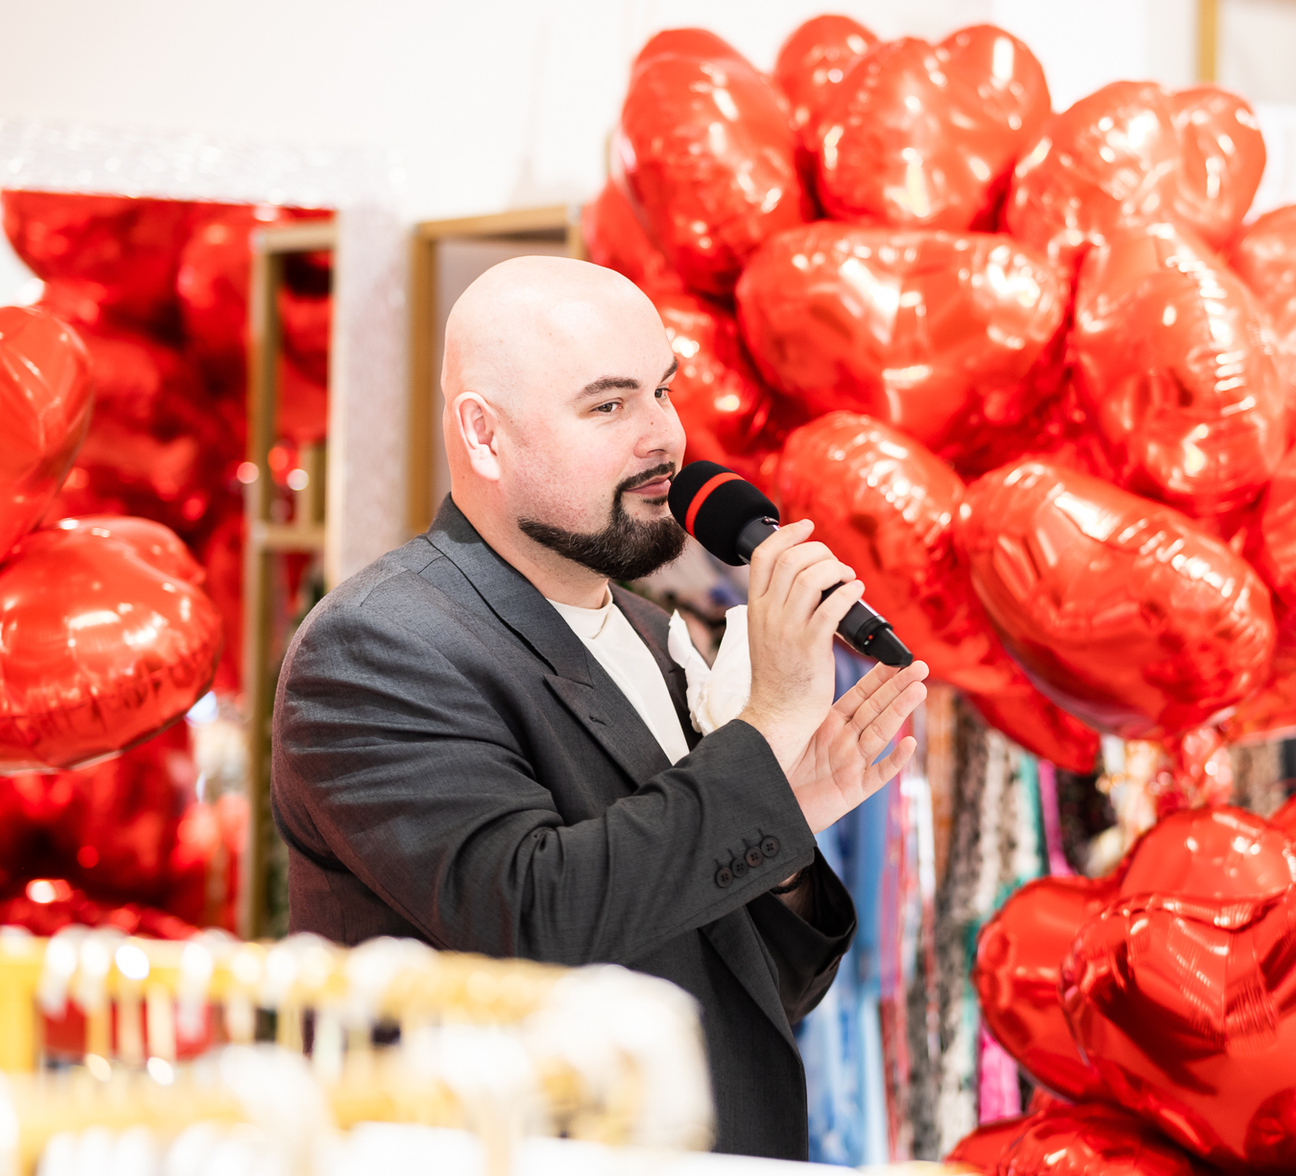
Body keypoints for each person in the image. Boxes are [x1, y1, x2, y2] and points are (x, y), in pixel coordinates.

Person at [270, 256, 929, 1159]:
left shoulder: (653, 635)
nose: (665, 436)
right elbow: (536, 922)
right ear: (485, 436)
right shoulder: (379, 645)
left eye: (664, 391)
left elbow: (741, 986)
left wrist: (782, 825)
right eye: (610, 405)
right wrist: (768, 729)